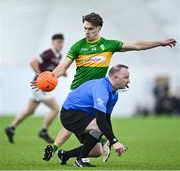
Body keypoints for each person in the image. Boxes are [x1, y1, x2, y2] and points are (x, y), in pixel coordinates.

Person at [32, 12, 176, 161]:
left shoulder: (108, 45)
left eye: (91, 29)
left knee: (95, 147)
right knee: (91, 125)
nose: (87, 32)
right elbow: (62, 68)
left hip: (99, 95)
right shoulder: (78, 46)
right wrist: (48, 78)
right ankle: (96, 145)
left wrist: (160, 43)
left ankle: (67, 152)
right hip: (80, 94)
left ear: (99, 28)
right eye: (85, 28)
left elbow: (136, 45)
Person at [43, 64, 130, 167]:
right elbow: (100, 120)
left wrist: (111, 140)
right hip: (70, 114)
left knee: (96, 152)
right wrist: (114, 141)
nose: (129, 80)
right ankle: (81, 160)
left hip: (85, 117)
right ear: (115, 78)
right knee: (98, 126)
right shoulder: (101, 88)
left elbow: (106, 119)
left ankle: (64, 155)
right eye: (126, 77)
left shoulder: (114, 95)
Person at [5, 34, 65, 144]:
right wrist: (39, 75)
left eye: (61, 42)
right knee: (55, 108)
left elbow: (55, 68)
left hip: (40, 87)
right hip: (39, 86)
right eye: (58, 42)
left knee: (30, 110)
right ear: (53, 42)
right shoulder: (48, 53)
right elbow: (33, 62)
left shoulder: (59, 56)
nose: (60, 44)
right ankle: (44, 131)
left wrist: (63, 73)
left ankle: (11, 127)